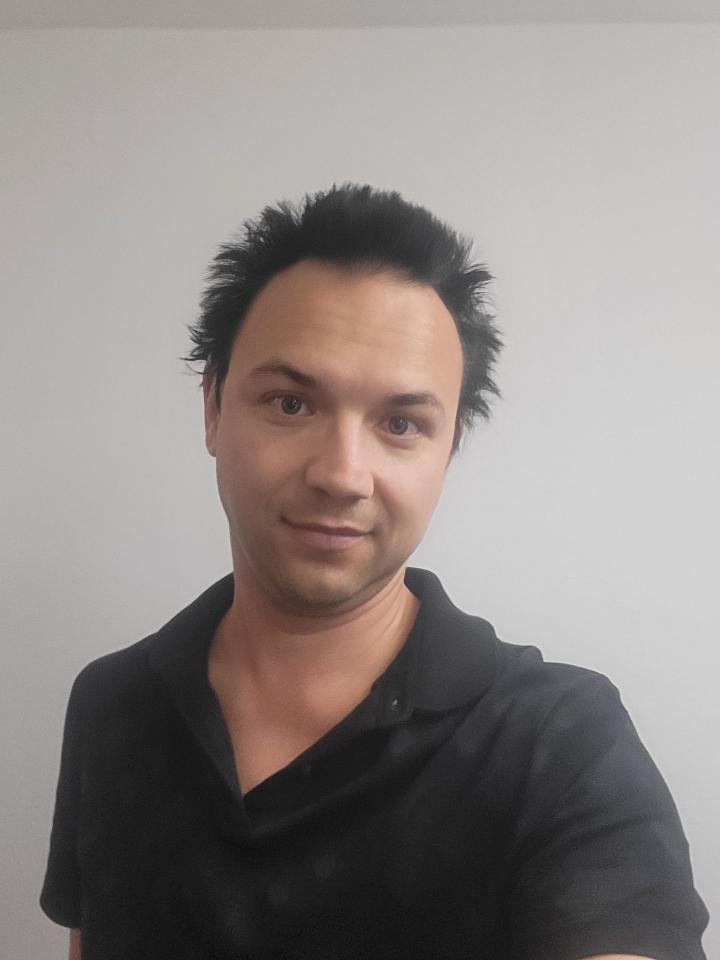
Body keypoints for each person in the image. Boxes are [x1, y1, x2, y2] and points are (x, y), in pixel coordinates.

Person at [40, 183, 709, 960]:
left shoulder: (561, 744)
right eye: (291, 404)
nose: (342, 474)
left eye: (400, 423)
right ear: (213, 406)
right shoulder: (113, 704)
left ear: (450, 448)